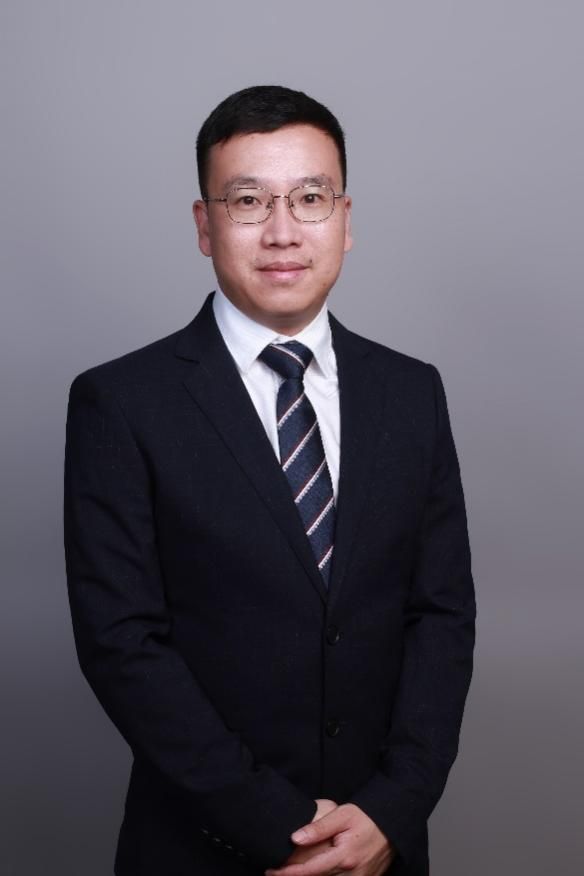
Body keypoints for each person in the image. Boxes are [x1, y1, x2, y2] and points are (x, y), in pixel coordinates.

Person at [64, 85, 475, 876]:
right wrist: (279, 823)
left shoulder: (411, 392)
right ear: (204, 224)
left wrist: (393, 808)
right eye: (248, 201)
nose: (283, 231)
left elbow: (441, 615)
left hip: (380, 846)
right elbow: (122, 644)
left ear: (345, 220)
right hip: (201, 849)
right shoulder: (122, 402)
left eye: (310, 198)